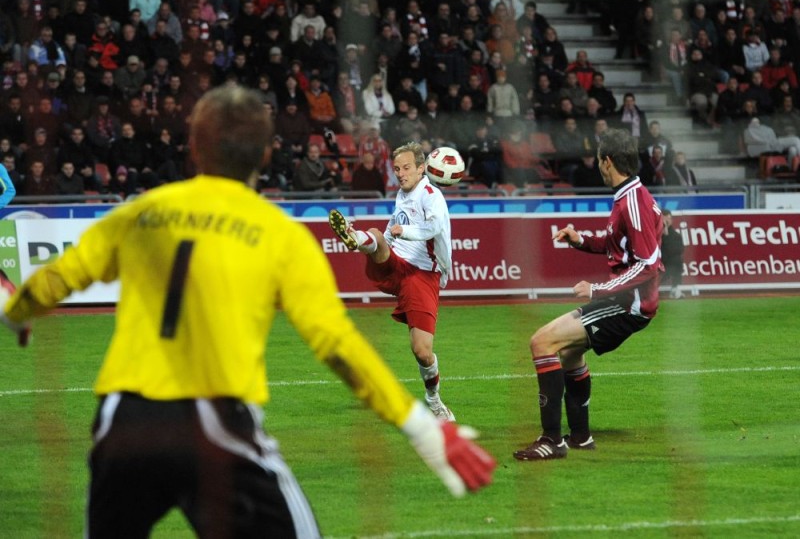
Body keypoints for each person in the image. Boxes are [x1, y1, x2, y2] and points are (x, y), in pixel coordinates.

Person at [0, 86, 495, 536]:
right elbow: (338, 347)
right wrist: (422, 428)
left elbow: (57, 279)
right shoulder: (279, 235)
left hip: (121, 425)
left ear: (194, 148)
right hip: (215, 425)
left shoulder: (141, 212)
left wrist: (16, 313)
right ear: (265, 154)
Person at [513, 128, 664, 461]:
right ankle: (580, 437)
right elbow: (622, 249)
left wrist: (598, 289)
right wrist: (582, 241)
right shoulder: (632, 197)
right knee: (567, 354)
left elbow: (649, 266)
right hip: (626, 301)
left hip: (629, 305)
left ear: (606, 161)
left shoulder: (634, 204)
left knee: (542, 342)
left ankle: (551, 441)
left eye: (599, 158)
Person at [327, 142, 457, 421]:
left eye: (407, 167)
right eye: (397, 168)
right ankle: (355, 237)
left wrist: (405, 231)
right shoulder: (401, 194)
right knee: (376, 235)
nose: (400, 174)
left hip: (422, 274)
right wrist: (384, 237)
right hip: (397, 263)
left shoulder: (431, 194)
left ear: (422, 168)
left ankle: (434, 400)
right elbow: (390, 232)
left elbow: (433, 227)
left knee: (422, 351)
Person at [661, 209, 685, 299]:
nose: (667, 222)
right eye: (664, 219)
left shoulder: (675, 235)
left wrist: (666, 234)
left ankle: (675, 289)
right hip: (655, 265)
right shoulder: (653, 234)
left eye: (669, 219)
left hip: (668, 265)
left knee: (678, 261)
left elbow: (679, 250)